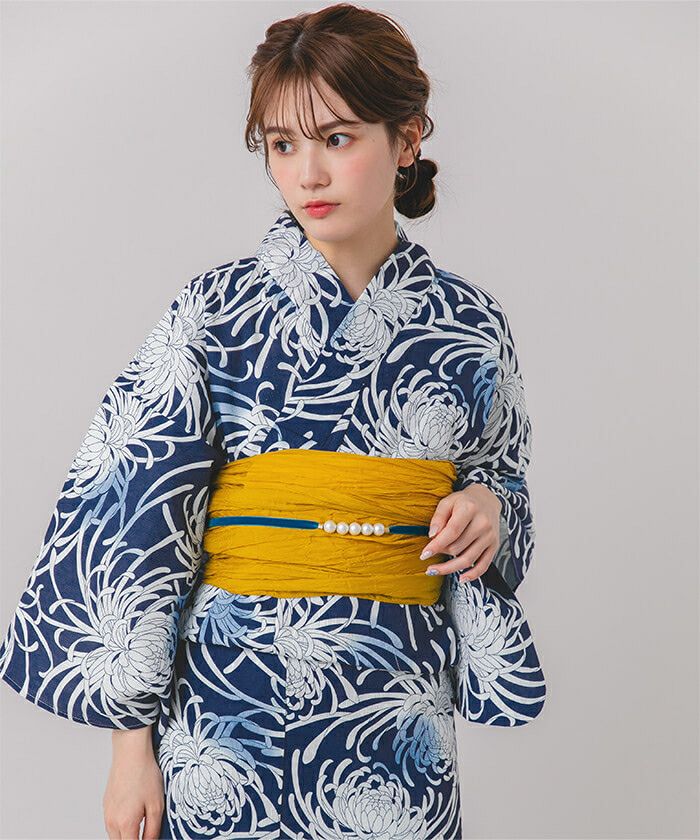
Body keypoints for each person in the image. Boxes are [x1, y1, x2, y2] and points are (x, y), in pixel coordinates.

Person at [0, 3, 546, 838]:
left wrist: (489, 506)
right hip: (226, 709)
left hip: (397, 706)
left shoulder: (470, 324)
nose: (307, 174)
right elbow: (135, 511)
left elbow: (502, 478)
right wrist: (130, 752)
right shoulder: (215, 309)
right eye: (283, 145)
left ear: (406, 139)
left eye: (337, 138)